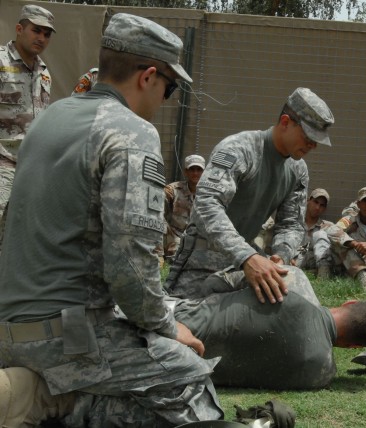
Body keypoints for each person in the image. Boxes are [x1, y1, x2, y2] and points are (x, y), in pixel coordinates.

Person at [0, 13, 224, 426]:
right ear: (148, 77)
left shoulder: (46, 121)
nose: (164, 98)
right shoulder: (130, 132)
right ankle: (54, 408)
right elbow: (130, 266)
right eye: (170, 88)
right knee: (189, 378)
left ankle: (39, 393)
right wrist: (167, 328)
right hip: (67, 337)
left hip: (11, 330)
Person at [165, 87, 334, 303]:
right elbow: (206, 206)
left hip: (250, 260)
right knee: (177, 323)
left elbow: (291, 224)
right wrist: (246, 256)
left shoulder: (298, 170)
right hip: (202, 258)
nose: (313, 146)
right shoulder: (240, 149)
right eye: (309, 137)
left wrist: (281, 255)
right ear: (285, 122)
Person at [173, 265, 366, 390]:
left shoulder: (292, 282)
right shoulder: (322, 374)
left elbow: (212, 283)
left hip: (168, 323)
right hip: (177, 372)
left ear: (349, 303)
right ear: (353, 346)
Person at [0, 4, 55, 220]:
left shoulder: (44, 73)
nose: (41, 38)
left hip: (31, 167)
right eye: (36, 30)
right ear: (19, 29)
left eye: (47, 34)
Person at [163, 154, 206, 258]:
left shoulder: (210, 194)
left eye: (199, 170)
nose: (195, 173)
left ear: (204, 172)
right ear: (186, 171)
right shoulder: (172, 190)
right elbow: (158, 213)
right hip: (175, 235)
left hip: (200, 237)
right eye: (192, 169)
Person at [290, 188, 335, 278]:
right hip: (295, 260)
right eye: (315, 202)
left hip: (315, 261)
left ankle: (323, 275)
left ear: (324, 209)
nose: (317, 207)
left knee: (320, 234)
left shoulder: (327, 226)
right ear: (308, 201)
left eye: (322, 205)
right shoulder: (294, 222)